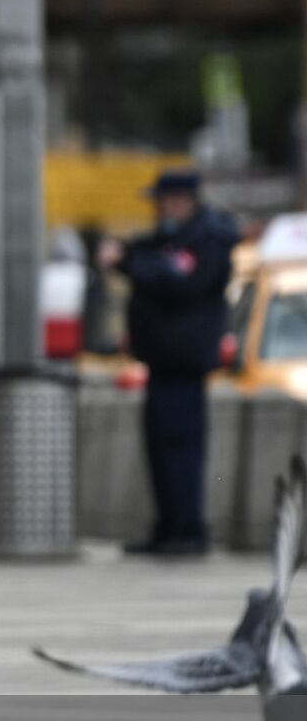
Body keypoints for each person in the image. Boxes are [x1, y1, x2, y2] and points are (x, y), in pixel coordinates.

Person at [101, 170, 236, 557]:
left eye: (166, 202)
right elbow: (146, 254)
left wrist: (131, 265)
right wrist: (124, 256)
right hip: (161, 362)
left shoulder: (208, 240)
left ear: (183, 200)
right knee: (160, 447)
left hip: (183, 364)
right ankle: (167, 527)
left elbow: (180, 283)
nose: (161, 211)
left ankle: (187, 529)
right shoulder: (170, 239)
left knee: (180, 448)